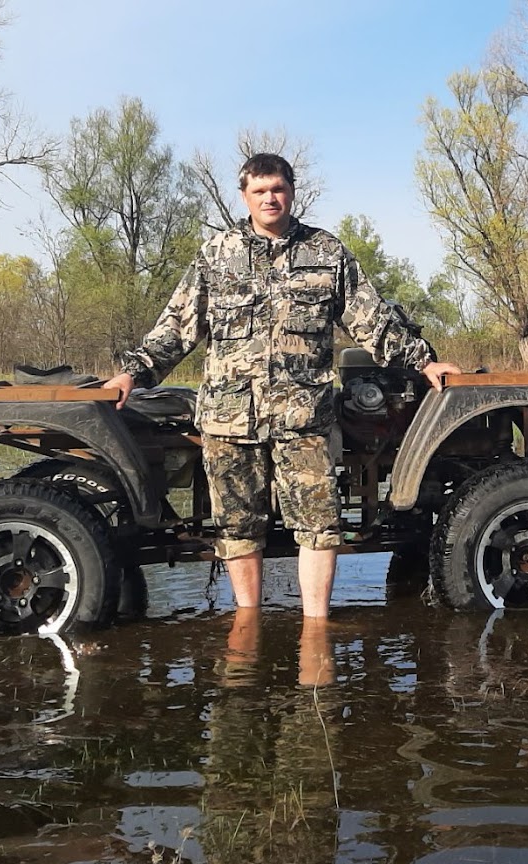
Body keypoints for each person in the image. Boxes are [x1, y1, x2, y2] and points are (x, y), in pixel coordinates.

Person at [104, 153, 460, 617]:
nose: (270, 198)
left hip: (303, 421)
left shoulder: (327, 253)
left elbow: (370, 320)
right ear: (245, 196)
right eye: (260, 190)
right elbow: (177, 328)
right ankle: (248, 625)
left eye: (278, 189)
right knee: (237, 529)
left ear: (292, 192)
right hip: (230, 422)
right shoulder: (216, 256)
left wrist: (424, 361)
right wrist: (133, 372)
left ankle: (316, 629)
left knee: (319, 527)